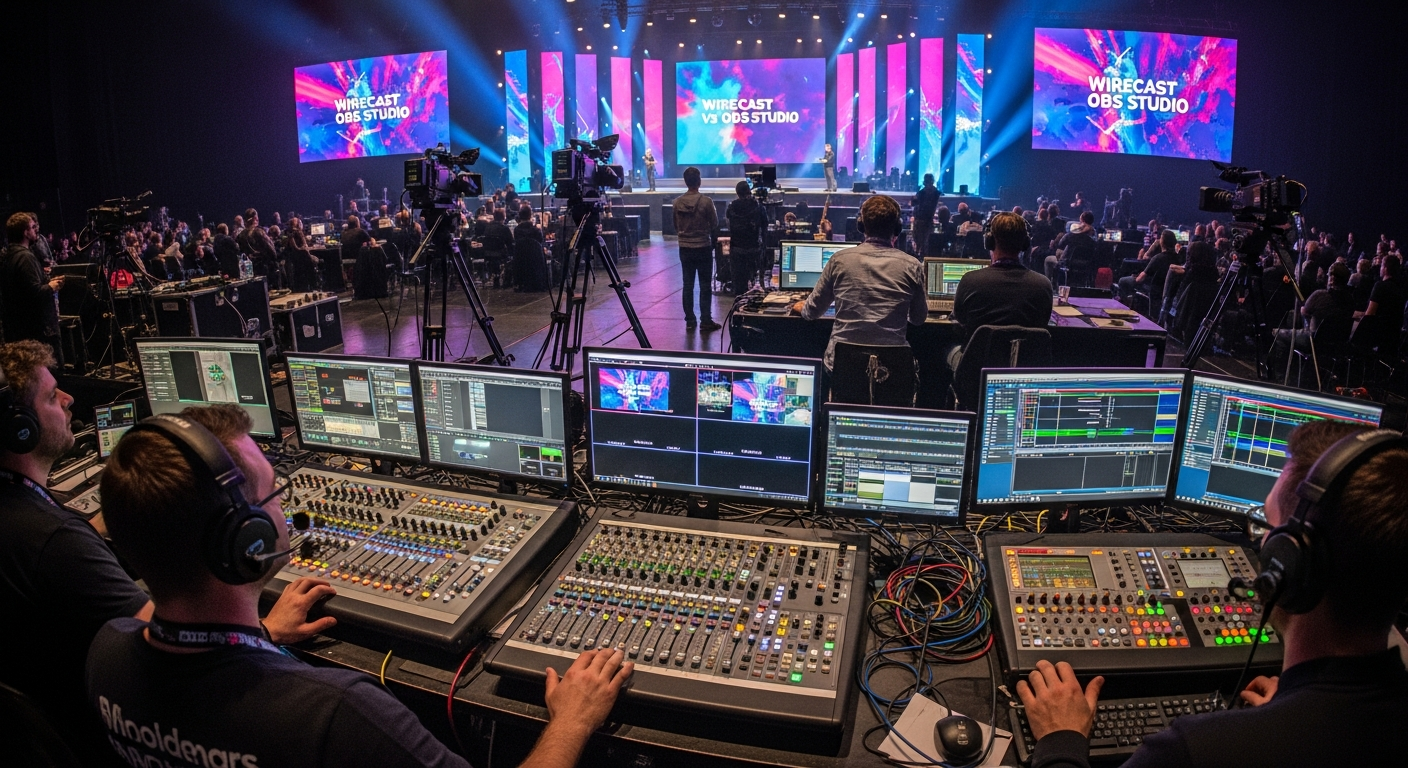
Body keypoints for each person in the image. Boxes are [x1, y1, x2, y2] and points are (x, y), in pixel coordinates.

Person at [88, 404, 635, 767]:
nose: (284, 506)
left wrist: (264, 634)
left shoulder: (106, 652)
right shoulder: (338, 714)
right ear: (245, 539)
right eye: (273, 493)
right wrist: (572, 721)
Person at [0, 344, 335, 763]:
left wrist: (126, 509)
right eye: (51, 396)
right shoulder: (55, 542)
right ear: (19, 427)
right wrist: (267, 631)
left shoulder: (28, 519)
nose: (69, 399)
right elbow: (175, 637)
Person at [1019, 420, 1408, 768]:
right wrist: (1291, 707)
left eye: (1267, 526)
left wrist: (1060, 741)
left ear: (1290, 562)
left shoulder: (1194, 751)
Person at [794, 195, 927, 372]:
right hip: (891, 370)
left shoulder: (839, 260)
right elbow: (918, 319)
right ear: (897, 228)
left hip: (842, 368)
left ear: (861, 226)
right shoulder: (913, 266)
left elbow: (812, 312)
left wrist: (801, 306)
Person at [945, 211, 1054, 369]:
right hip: (1023, 371)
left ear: (989, 242)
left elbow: (959, 322)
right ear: (1025, 244)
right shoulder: (1043, 285)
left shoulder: (970, 280)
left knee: (945, 347)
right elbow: (1042, 323)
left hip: (976, 372)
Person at [1267, 262, 1355, 373]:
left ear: (1332, 278)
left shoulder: (1320, 295)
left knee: (1277, 333)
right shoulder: (1350, 300)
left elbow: (1304, 311)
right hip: (1337, 343)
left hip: (1313, 340)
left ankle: (1280, 373)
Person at [0, 213, 64, 359]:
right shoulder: (25, 257)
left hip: (17, 328)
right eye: (33, 227)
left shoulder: (6, 255)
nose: (36, 230)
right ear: (25, 232)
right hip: (37, 331)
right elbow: (34, 292)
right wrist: (52, 286)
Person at [672, 167, 720, 331]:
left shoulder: (677, 202)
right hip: (703, 247)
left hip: (685, 247)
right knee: (705, 285)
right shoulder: (706, 202)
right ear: (699, 181)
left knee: (687, 285)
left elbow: (675, 226)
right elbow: (714, 224)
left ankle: (690, 321)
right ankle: (706, 320)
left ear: (685, 182)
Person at [1117, 229, 1180, 314]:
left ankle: (1124, 308)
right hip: (1169, 292)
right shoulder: (1179, 258)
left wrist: (1135, 277)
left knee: (1122, 281)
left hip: (1152, 288)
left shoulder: (1157, 258)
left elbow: (1140, 279)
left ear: (1162, 242)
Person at [1353, 254, 1405, 350]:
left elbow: (1370, 315)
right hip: (1393, 336)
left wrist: (1355, 315)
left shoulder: (1380, 286)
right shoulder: (1401, 288)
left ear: (1385, 269)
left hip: (1377, 335)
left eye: (1381, 266)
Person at [726, 181, 765, 294]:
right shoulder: (758, 206)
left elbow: (729, 225)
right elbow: (764, 226)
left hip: (737, 248)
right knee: (754, 283)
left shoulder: (731, 207)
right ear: (749, 191)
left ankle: (739, 300)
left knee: (738, 284)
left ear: (737, 193)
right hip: (754, 248)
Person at [1046, 211, 1097, 284]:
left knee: (1048, 260)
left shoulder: (1070, 236)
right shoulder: (1093, 239)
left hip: (1068, 263)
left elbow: (1059, 250)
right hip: (1086, 265)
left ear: (1081, 220)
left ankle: (1050, 285)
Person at [335, 215, 368, 292]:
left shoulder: (343, 233)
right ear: (357, 223)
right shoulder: (360, 231)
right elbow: (370, 241)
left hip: (344, 260)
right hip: (358, 259)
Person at [912, 174, 941, 256]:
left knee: (919, 241)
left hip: (920, 220)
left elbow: (913, 203)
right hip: (928, 220)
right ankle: (923, 255)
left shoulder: (921, 193)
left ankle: (918, 254)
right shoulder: (936, 193)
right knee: (926, 241)